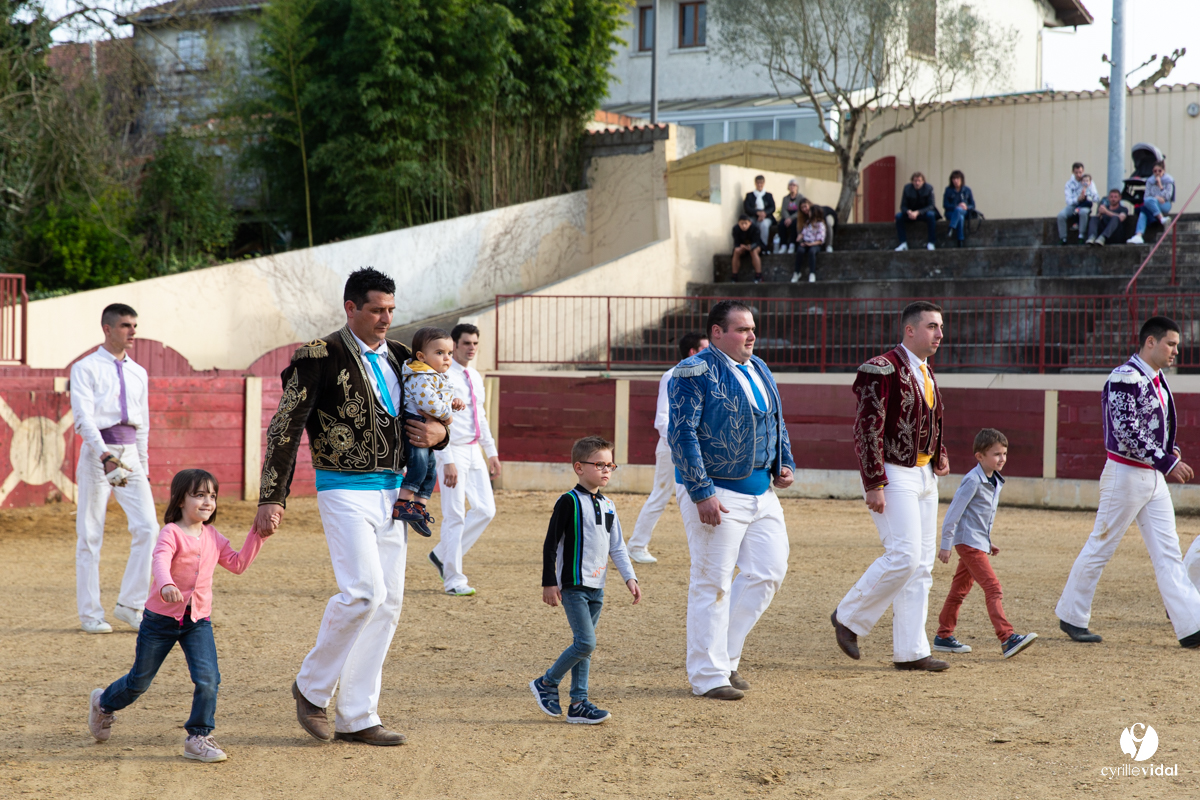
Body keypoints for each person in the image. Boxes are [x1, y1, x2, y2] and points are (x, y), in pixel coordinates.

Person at [255, 266, 449, 747]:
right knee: (363, 592)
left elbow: (434, 415)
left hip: (395, 491)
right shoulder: (319, 355)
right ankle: (311, 686)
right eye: (376, 310)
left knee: (388, 604)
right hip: (342, 488)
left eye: (390, 310)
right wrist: (271, 496)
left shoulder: (406, 356)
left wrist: (441, 435)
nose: (385, 318)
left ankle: (359, 715)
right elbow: (284, 428)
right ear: (351, 308)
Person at [87, 469, 268, 763]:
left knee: (209, 679)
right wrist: (167, 583)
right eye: (199, 494)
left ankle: (198, 736)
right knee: (138, 682)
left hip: (198, 622)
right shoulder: (171, 532)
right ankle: (103, 703)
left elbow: (237, 564)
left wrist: (257, 534)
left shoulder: (214, 537)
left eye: (212, 495)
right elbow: (159, 560)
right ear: (180, 500)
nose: (208, 501)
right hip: (160, 621)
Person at [669, 300, 795, 700]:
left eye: (752, 328)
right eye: (741, 329)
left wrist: (784, 462)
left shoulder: (759, 368)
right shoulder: (693, 370)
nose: (751, 336)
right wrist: (700, 491)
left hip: (762, 489)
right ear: (717, 333)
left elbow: (777, 420)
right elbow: (682, 434)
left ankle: (725, 655)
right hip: (717, 490)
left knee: (768, 572)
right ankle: (708, 676)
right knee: (712, 582)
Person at [1055, 316, 1200, 648]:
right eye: (1171, 344)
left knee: (1169, 552)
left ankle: (1192, 624)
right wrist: (1167, 460)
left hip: (1150, 475)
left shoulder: (1155, 378)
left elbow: (1153, 428)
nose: (1176, 350)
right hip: (1125, 473)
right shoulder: (1125, 376)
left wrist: (1169, 452)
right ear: (1150, 342)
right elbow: (1126, 429)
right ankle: (1072, 615)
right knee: (1102, 544)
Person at [832, 301, 952, 671]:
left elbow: (927, 419)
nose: (939, 334)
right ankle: (848, 617)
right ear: (910, 330)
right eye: (932, 326)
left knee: (921, 565)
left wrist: (939, 452)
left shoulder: (925, 370)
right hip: (893, 472)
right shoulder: (881, 369)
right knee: (903, 555)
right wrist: (873, 482)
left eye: (941, 327)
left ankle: (912, 651)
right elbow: (867, 428)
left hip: (923, 475)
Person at [530, 436, 641, 725]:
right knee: (586, 642)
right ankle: (547, 682)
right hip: (573, 585)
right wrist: (549, 582)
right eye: (600, 464)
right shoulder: (568, 501)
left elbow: (617, 546)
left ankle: (579, 703)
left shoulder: (609, 505)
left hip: (598, 586)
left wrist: (630, 577)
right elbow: (550, 544)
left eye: (610, 465)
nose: (606, 470)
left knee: (585, 645)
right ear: (579, 467)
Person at [71, 303, 159, 634]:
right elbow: (83, 418)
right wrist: (104, 454)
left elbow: (144, 424)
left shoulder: (139, 372)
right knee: (90, 533)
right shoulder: (85, 368)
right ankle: (90, 614)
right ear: (107, 329)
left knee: (149, 527)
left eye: (134, 325)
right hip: (98, 454)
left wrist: (144, 465)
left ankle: (130, 605)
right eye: (126, 325)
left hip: (131, 453)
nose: (133, 331)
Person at [933, 429, 1038, 659]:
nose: (1002, 458)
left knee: (959, 590)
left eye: (1004, 453)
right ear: (979, 456)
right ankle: (1007, 637)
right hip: (968, 544)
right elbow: (954, 513)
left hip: (976, 543)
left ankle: (943, 635)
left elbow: (980, 516)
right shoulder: (973, 480)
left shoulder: (994, 479)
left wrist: (987, 543)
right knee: (993, 588)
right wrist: (945, 544)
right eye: (996, 454)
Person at [626, 332, 709, 564]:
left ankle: (712, 548)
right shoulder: (673, 375)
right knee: (661, 494)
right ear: (693, 352)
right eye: (705, 348)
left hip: (696, 446)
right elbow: (662, 417)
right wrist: (678, 443)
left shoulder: (709, 375)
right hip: (673, 445)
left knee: (707, 493)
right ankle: (636, 545)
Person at [430, 323, 500, 597]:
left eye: (475, 343)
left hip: (473, 450)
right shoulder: (442, 377)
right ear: (454, 346)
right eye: (466, 343)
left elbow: (480, 416)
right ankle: (453, 578)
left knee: (485, 510)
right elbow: (436, 419)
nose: (471, 348)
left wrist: (491, 452)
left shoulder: (475, 376)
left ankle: (441, 554)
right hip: (452, 450)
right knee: (455, 514)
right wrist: (446, 458)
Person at [391, 327, 465, 537]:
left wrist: (453, 401)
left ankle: (419, 506)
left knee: (431, 468)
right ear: (422, 356)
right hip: (416, 423)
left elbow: (439, 397)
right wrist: (447, 416)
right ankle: (403, 503)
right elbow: (429, 403)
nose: (447, 358)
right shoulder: (420, 376)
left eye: (449, 353)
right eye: (440, 353)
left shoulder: (435, 375)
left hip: (427, 422)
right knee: (420, 464)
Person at [1130, 161, 1175, 244]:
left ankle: (1140, 234)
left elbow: (1168, 196)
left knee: (1146, 206)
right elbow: (1146, 197)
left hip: (1164, 204)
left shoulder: (1168, 180)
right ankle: (1139, 235)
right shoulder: (1150, 181)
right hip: (1152, 203)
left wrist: (1160, 186)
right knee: (1144, 210)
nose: (1157, 173)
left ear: (1163, 171)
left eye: (1159, 171)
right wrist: (1156, 198)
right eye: (1155, 171)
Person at [1056, 162, 1100, 245]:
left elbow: (1096, 197)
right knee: (1061, 215)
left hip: (1085, 205)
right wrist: (1077, 199)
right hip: (1073, 205)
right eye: (1076, 172)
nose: (1078, 175)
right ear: (1073, 172)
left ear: (1083, 171)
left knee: (1083, 212)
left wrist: (1087, 197)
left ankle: (1081, 236)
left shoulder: (1088, 181)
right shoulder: (1069, 184)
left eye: (1080, 172)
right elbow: (1068, 200)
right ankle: (1063, 238)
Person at [894, 172, 938, 251]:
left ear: (923, 181)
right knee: (898, 216)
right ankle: (903, 243)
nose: (917, 183)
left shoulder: (929, 188)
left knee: (931, 215)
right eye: (915, 181)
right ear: (912, 181)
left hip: (923, 213)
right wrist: (908, 212)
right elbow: (903, 206)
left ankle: (931, 242)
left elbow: (931, 206)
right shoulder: (907, 188)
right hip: (911, 214)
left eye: (919, 181)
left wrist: (918, 212)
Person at [791, 199, 826, 284]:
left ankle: (812, 273)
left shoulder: (820, 225)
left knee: (812, 252)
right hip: (807, 242)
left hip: (815, 244)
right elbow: (803, 233)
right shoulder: (807, 223)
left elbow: (820, 240)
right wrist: (800, 236)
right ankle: (797, 272)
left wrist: (810, 244)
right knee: (800, 251)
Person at [942, 170, 975, 248]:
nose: (956, 181)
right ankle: (960, 240)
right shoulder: (948, 190)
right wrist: (956, 206)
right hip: (951, 212)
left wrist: (966, 207)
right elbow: (945, 205)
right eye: (954, 179)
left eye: (957, 179)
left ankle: (951, 227)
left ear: (961, 179)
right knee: (959, 217)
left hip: (964, 211)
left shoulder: (967, 190)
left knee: (960, 211)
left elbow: (973, 205)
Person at [742, 175, 776, 250]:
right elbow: (747, 208)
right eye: (758, 183)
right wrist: (757, 213)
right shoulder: (749, 195)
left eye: (761, 183)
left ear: (764, 183)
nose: (759, 185)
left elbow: (772, 207)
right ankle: (751, 245)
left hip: (766, 217)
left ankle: (764, 246)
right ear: (755, 183)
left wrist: (764, 213)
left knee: (764, 225)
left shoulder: (768, 195)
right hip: (753, 216)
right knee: (749, 224)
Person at [731, 214, 764, 284]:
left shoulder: (755, 228)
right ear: (738, 223)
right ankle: (734, 276)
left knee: (753, 251)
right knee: (736, 251)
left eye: (746, 223)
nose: (744, 226)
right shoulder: (735, 229)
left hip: (755, 246)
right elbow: (736, 243)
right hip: (742, 247)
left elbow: (757, 241)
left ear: (750, 223)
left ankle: (759, 275)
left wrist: (750, 246)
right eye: (742, 223)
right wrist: (740, 247)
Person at [777, 180, 803, 254]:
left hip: (797, 216)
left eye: (794, 185)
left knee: (795, 224)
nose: (792, 187)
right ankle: (783, 245)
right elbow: (783, 209)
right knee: (781, 224)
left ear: (797, 187)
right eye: (790, 185)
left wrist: (791, 218)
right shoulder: (785, 198)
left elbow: (800, 210)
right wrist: (787, 218)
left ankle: (792, 244)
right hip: (787, 215)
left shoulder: (800, 197)